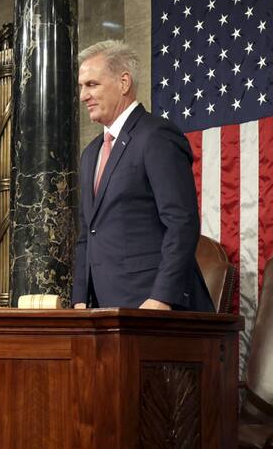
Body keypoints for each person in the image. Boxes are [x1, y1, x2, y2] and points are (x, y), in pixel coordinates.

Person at [73, 40, 213, 311]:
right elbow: (86, 234)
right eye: (81, 87)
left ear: (123, 82)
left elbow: (181, 222)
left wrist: (162, 297)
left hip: (153, 307)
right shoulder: (91, 153)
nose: (83, 96)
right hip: (102, 310)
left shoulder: (156, 135)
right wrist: (80, 298)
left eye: (92, 85)